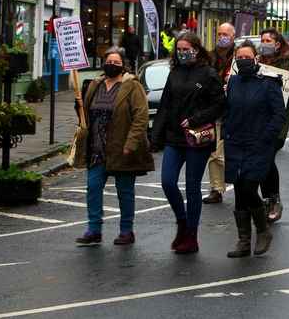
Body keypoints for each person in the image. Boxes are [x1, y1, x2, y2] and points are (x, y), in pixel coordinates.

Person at [152, 32, 226, 254]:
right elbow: (164, 106)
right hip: (174, 138)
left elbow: (219, 105)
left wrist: (195, 119)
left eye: (186, 49)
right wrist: (155, 137)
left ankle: (191, 236)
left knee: (192, 187)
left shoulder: (208, 74)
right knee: (167, 182)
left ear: (197, 48)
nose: (182, 53)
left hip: (197, 138)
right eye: (179, 49)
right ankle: (182, 221)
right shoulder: (174, 73)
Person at [73, 47, 154, 246]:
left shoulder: (132, 86)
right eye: (109, 62)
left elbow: (141, 117)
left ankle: (126, 230)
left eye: (117, 63)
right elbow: (86, 114)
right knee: (93, 187)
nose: (112, 66)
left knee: (124, 191)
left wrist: (131, 143)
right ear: (103, 63)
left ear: (123, 65)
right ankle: (94, 230)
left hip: (122, 148)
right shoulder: (96, 84)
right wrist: (79, 105)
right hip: (97, 149)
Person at [223, 42, 286, 258]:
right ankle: (243, 241)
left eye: (247, 56)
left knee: (249, 187)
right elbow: (228, 110)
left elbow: (279, 114)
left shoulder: (268, 83)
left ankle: (262, 230)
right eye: (239, 57)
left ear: (255, 58)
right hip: (235, 143)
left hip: (259, 145)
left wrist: (266, 137)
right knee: (240, 190)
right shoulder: (233, 82)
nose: (242, 60)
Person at [258, 28, 289, 222]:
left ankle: (273, 199)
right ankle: (266, 199)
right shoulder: (255, 60)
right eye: (262, 40)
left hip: (277, 118)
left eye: (268, 40)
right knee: (259, 161)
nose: (264, 43)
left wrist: (287, 87)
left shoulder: (287, 62)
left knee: (267, 158)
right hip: (256, 116)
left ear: (277, 44)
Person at [202, 22, 236, 205]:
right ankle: (216, 188)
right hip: (215, 110)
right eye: (220, 33)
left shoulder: (240, 56)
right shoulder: (209, 57)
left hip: (236, 111)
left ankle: (244, 187)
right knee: (214, 153)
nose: (222, 37)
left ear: (233, 36)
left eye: (226, 34)